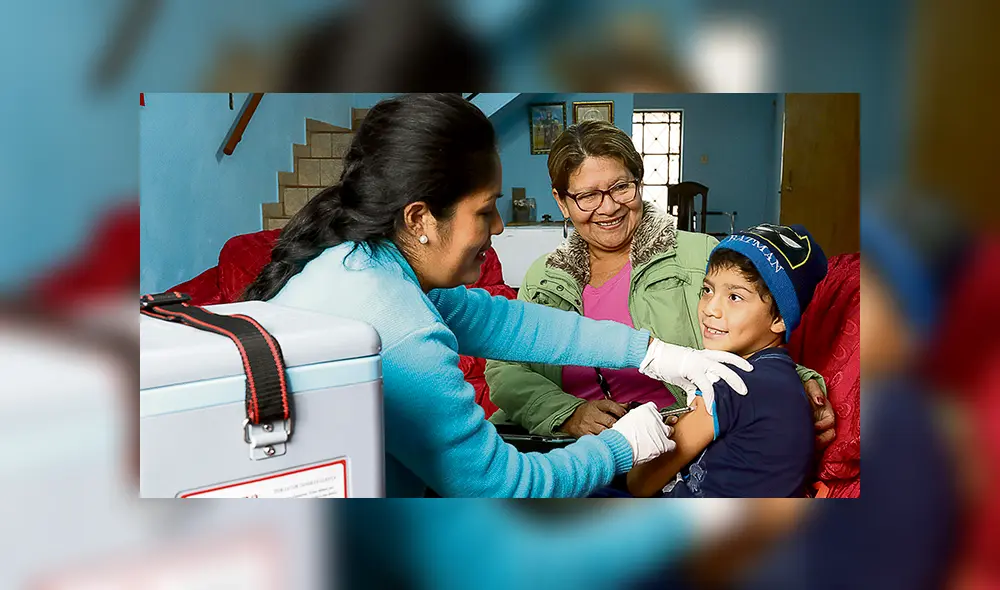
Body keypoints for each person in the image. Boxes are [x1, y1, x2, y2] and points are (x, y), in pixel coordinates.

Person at [242, 94, 753, 498]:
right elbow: (499, 485)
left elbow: (509, 323)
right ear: (420, 219)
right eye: (485, 211)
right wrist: (620, 447)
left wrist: (652, 353)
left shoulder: (360, 263)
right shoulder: (401, 329)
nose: (500, 226)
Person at [485, 121, 834, 445]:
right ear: (562, 202)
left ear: (639, 182)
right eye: (587, 196)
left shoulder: (701, 256)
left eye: (621, 187)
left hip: (671, 443)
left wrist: (797, 380)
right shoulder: (544, 276)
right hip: (565, 446)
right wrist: (566, 413)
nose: (608, 207)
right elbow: (504, 367)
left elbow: (753, 331)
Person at [627, 224, 827, 498]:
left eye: (735, 297)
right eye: (707, 290)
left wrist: (641, 436)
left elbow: (639, 484)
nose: (710, 309)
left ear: (780, 318)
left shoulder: (730, 382)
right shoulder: (779, 375)